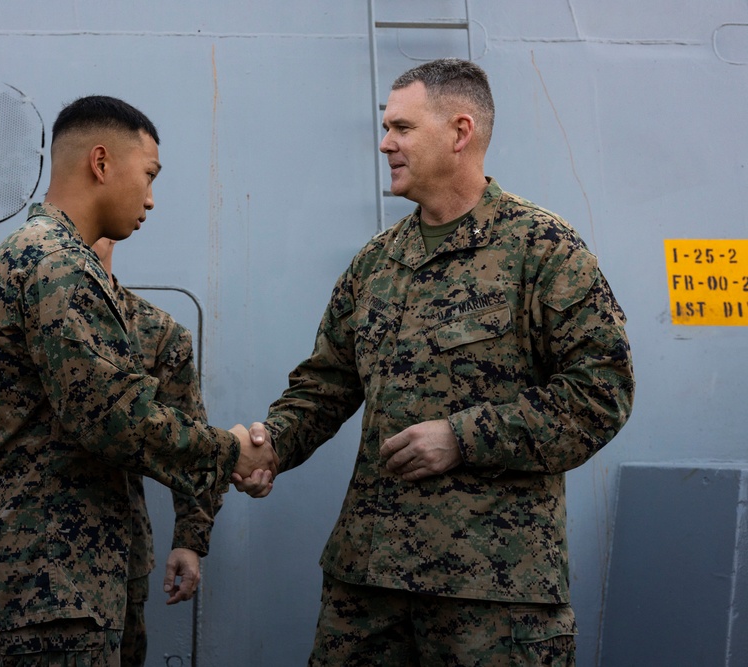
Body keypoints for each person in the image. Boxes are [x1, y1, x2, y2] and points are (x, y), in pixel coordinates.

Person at [237, 58, 635, 665]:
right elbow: (326, 383)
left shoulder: (543, 250)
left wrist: (463, 438)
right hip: (366, 587)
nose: (384, 142)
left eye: (401, 128)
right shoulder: (375, 263)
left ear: (459, 131)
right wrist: (273, 445)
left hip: (491, 593)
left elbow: (600, 394)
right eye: (386, 127)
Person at [0, 94, 278, 666]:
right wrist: (231, 450)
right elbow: (113, 419)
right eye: (149, 175)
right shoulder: (57, 266)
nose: (152, 199)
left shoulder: (18, 261)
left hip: (30, 589)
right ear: (102, 163)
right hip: (52, 593)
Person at [0, 237, 224, 667]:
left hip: (109, 567)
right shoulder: (11, 312)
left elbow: (186, 440)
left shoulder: (156, 332)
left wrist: (190, 540)